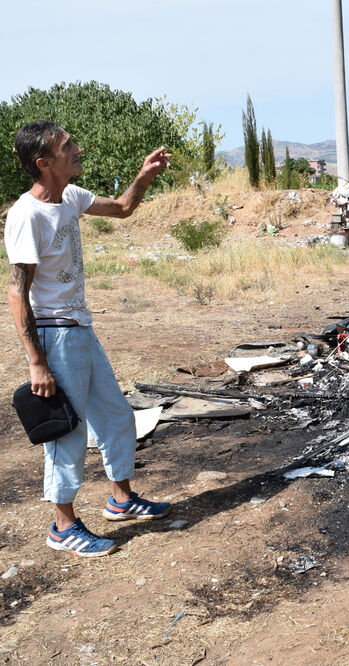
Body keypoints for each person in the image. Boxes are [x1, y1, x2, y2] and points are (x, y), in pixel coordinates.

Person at [5, 120, 174, 557]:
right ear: (44, 163)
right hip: (55, 336)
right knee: (68, 433)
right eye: (67, 146)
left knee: (116, 416)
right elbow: (16, 292)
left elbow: (121, 208)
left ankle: (121, 499)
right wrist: (36, 362)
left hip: (81, 329)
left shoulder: (71, 197)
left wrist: (144, 175)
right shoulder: (27, 215)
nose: (78, 149)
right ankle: (62, 526)